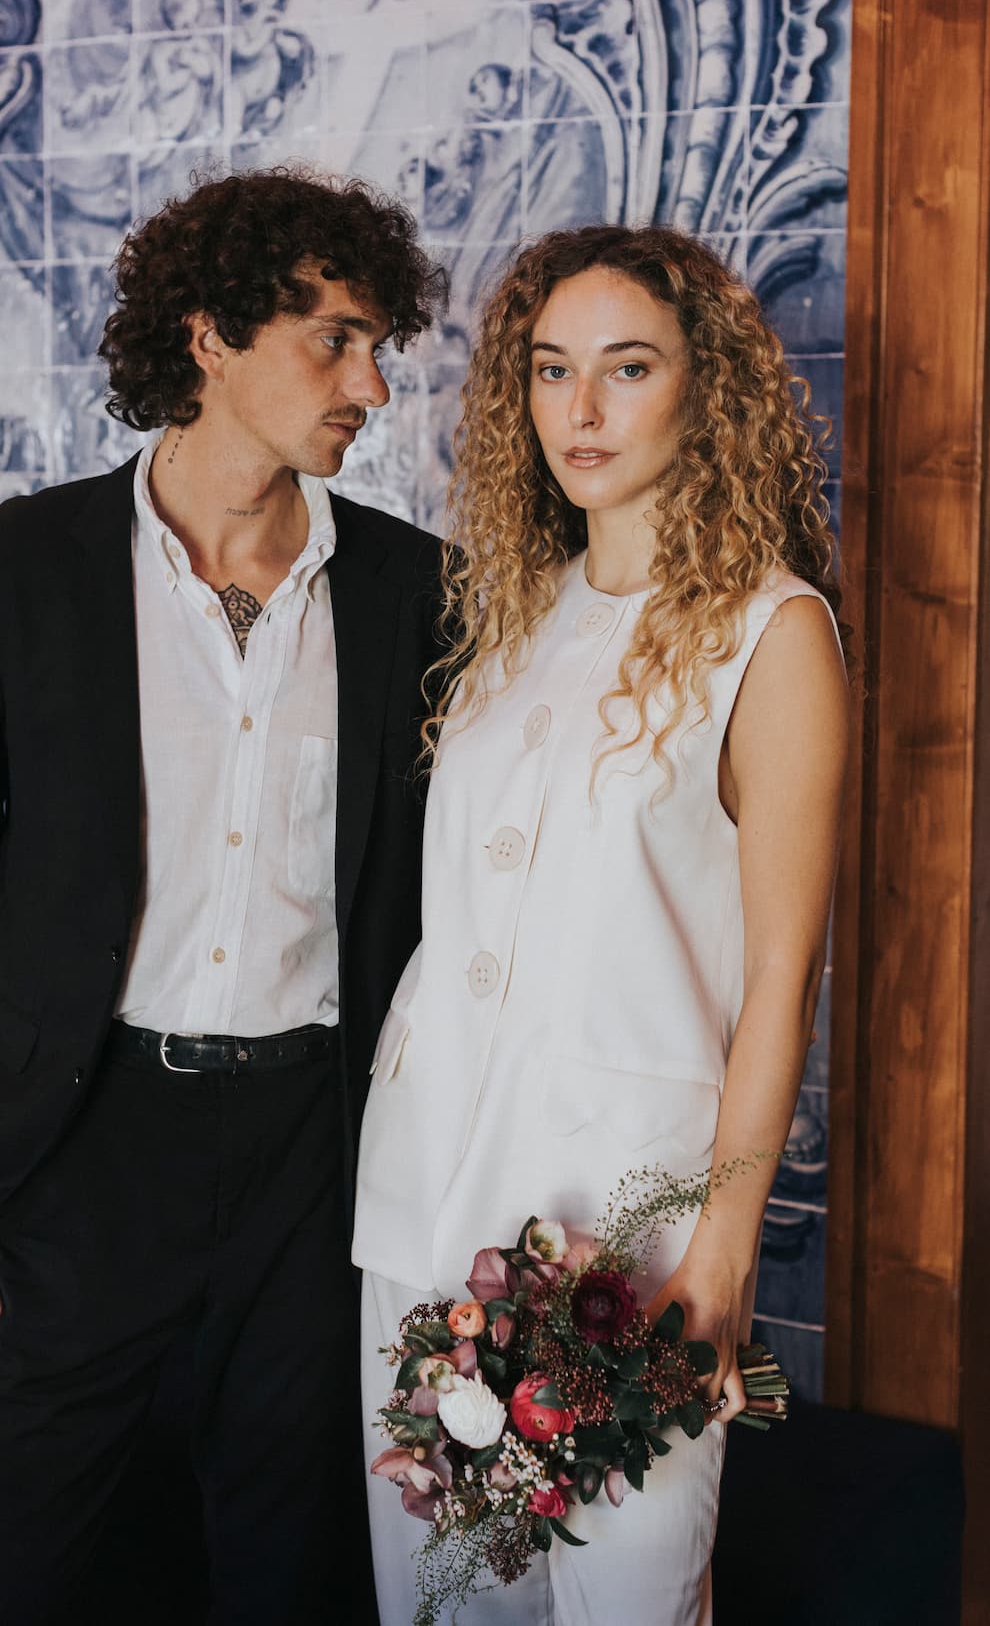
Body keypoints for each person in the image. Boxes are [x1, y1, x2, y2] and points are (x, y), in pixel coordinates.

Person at [0, 166, 448, 1626]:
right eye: (334, 338)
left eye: (380, 345)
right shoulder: (15, 565)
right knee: (21, 1566)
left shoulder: (412, 591)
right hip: (87, 1137)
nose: (370, 385)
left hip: (311, 1148)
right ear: (208, 337)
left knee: (286, 1565)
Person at [353, 224, 849, 1625]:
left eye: (625, 368)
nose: (581, 408)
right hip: (426, 1202)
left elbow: (778, 984)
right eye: (551, 370)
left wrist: (723, 1251)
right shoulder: (503, 622)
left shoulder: (774, 631)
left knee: (628, 1602)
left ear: (704, 387)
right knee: (437, 1598)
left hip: (625, 1238)